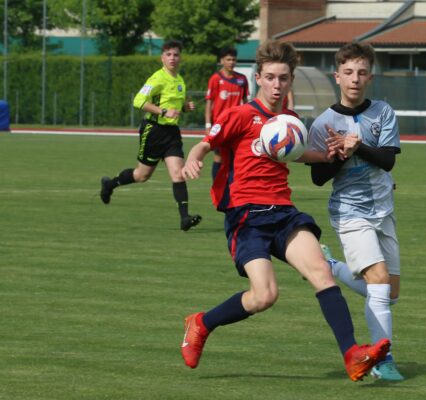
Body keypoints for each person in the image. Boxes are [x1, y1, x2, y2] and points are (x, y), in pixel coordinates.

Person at [179, 39, 390, 382]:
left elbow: (300, 153)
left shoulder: (290, 119)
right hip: (247, 216)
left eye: (284, 79)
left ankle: (352, 355)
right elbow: (205, 144)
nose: (277, 85)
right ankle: (202, 323)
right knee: (265, 295)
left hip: (284, 213)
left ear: (291, 80)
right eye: (271, 78)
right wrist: (192, 160)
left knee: (321, 271)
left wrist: (334, 154)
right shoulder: (241, 114)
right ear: (258, 78)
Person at [308, 41, 404, 381]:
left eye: (362, 72)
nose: (355, 78)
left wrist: (357, 146)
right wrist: (340, 155)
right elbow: (318, 178)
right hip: (350, 212)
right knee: (377, 282)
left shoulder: (383, 112)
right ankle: (383, 361)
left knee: (389, 295)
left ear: (370, 76)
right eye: (348, 72)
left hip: (383, 210)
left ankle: (332, 266)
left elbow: (388, 159)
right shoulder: (324, 124)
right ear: (337, 76)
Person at [100, 40, 201, 232]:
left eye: (176, 55)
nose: (172, 58)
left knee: (178, 174)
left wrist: (185, 108)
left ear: (180, 58)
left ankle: (185, 218)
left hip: (172, 133)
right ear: (162, 57)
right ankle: (110, 184)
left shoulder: (180, 80)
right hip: (153, 131)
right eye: (169, 54)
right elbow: (138, 101)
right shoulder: (156, 78)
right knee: (141, 175)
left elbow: (174, 107)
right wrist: (163, 111)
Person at [204, 47, 249, 180]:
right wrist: (208, 125)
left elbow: (245, 102)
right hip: (220, 126)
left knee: (235, 156)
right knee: (219, 156)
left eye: (233, 59)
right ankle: (218, 187)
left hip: (236, 126)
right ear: (222, 61)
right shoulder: (215, 79)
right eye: (228, 59)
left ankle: (231, 188)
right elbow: (209, 103)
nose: (231, 62)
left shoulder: (242, 79)